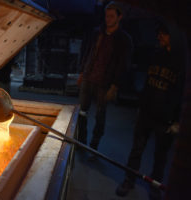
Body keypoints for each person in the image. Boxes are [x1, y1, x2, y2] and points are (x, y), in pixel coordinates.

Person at [115, 22, 185, 200]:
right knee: (136, 149)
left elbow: (182, 93)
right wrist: (141, 106)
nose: (159, 37)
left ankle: (155, 185)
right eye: (159, 33)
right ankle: (129, 180)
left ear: (174, 36)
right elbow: (147, 83)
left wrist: (178, 120)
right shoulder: (156, 55)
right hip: (147, 112)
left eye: (164, 34)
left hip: (166, 118)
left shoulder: (182, 62)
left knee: (160, 154)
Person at [77, 1, 132, 156]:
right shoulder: (97, 33)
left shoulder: (123, 39)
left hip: (104, 83)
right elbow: (88, 52)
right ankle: (81, 143)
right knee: (82, 112)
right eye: (106, 16)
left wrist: (114, 86)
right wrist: (82, 73)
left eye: (111, 16)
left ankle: (94, 146)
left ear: (119, 17)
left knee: (100, 115)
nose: (107, 19)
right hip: (89, 77)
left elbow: (123, 65)